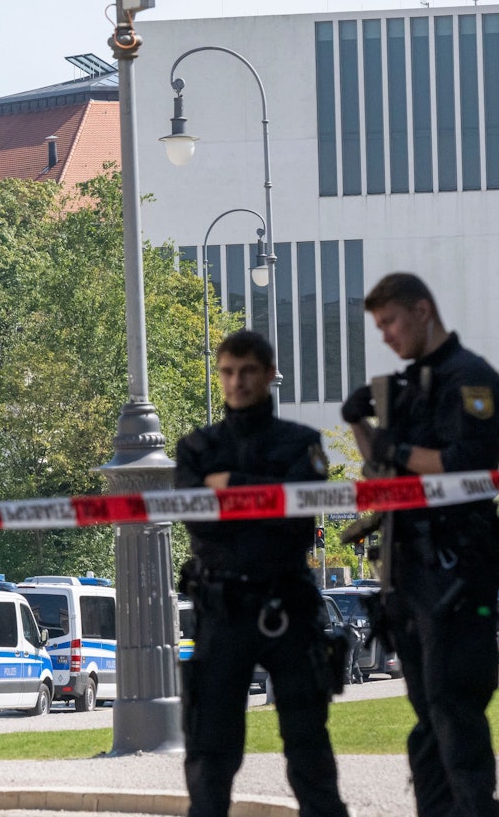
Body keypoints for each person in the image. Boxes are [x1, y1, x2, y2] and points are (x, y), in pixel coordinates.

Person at [341, 273, 499, 817]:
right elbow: (381, 469)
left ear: (423, 310)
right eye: (379, 326)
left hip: (456, 570)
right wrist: (361, 423)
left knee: (454, 714)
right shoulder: (412, 386)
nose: (385, 335)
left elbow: (466, 465)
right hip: (409, 573)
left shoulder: (470, 379)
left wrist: (395, 442)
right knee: (428, 724)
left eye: (390, 322)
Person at [174, 328, 349, 817]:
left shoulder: (302, 442)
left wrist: (230, 488)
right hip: (222, 609)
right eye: (228, 371)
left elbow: (294, 513)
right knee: (210, 756)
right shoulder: (197, 449)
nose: (237, 381)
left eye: (248, 371)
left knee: (309, 750)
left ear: (270, 374)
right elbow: (198, 517)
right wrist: (264, 492)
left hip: (287, 604)